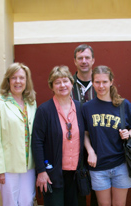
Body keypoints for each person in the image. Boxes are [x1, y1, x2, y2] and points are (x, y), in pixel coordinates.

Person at [83, 65, 131, 206]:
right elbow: (84, 133)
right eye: (97, 82)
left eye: (104, 82)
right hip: (98, 166)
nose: (101, 86)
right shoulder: (87, 107)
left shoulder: (123, 105)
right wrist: (90, 151)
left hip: (121, 164)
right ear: (92, 82)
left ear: (111, 82)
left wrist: (128, 133)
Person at [31, 66, 85, 206]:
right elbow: (37, 142)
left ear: (71, 83)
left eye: (65, 81)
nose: (62, 85)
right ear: (52, 86)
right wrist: (41, 171)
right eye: (57, 82)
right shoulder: (44, 110)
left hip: (76, 174)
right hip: (52, 174)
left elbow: (85, 135)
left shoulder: (80, 108)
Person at [0, 62, 37, 206]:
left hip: (29, 164)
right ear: (8, 80)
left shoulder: (31, 103)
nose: (18, 81)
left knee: (27, 201)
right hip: (7, 166)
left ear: (27, 81)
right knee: (11, 203)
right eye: (14, 78)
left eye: (22, 78)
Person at [72, 44, 98, 206]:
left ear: (93, 60)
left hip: (98, 143)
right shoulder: (67, 84)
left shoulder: (100, 82)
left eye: (87, 57)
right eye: (80, 58)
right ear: (74, 61)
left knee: (98, 187)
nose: (84, 61)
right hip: (73, 144)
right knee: (77, 189)